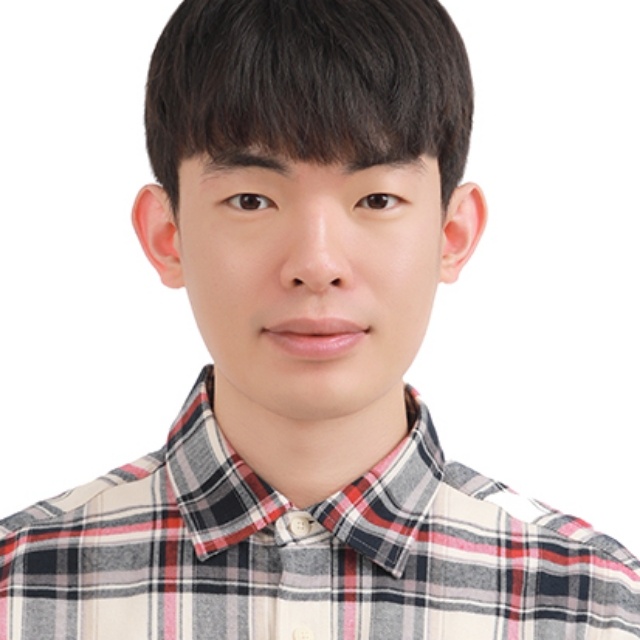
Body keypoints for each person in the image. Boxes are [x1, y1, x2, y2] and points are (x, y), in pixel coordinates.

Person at [1, 0, 638, 638]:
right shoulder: (20, 587)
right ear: (167, 235)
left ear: (453, 233)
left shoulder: (593, 605)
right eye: (251, 199)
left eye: (377, 199)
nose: (317, 264)